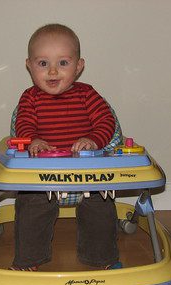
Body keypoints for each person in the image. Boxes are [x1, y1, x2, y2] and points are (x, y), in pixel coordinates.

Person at [11, 23, 122, 271]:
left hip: (87, 173)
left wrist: (94, 140)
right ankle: (29, 259)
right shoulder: (30, 98)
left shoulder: (88, 95)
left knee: (101, 204)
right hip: (43, 176)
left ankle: (102, 257)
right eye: (42, 64)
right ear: (29, 66)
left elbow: (107, 122)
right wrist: (32, 141)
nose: (52, 71)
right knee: (30, 204)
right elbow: (24, 124)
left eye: (63, 63)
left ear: (79, 66)